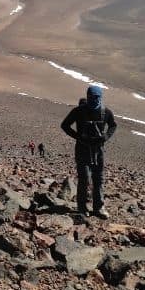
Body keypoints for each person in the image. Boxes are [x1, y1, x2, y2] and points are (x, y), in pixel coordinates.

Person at [60, 85, 117, 219]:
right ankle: (82, 207)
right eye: (92, 97)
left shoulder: (105, 112)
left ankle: (99, 208)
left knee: (98, 179)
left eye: (97, 97)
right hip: (82, 149)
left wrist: (106, 137)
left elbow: (113, 125)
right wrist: (79, 137)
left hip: (99, 150)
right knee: (84, 178)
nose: (94, 100)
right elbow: (65, 125)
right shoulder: (79, 111)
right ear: (87, 96)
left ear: (101, 97)